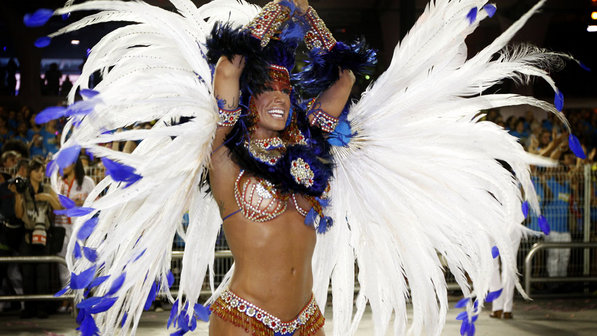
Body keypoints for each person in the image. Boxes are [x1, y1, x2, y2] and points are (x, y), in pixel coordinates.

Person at [28, 0, 586, 335]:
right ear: (245, 99)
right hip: (243, 317)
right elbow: (228, 79)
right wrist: (266, 26)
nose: (279, 94)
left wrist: (305, 14)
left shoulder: (311, 157)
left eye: (286, 88)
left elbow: (343, 80)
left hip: (309, 320)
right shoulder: (223, 155)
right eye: (265, 88)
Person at [13, 158, 61, 318]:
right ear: (29, 172)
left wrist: (48, 198)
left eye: (42, 171)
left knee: (43, 273)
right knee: (27, 273)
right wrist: (18, 196)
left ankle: (42, 308)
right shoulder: (23, 189)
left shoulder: (47, 188)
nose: (40, 174)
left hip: (44, 235)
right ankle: (29, 307)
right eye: (37, 171)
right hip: (27, 235)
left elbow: (59, 208)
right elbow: (19, 215)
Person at [54, 156, 95, 312]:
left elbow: (96, 204)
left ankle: (79, 299)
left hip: (80, 229)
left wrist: (79, 205)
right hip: (62, 227)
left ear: (74, 163)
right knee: (63, 266)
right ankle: (67, 300)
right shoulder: (59, 183)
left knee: (80, 265)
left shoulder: (87, 182)